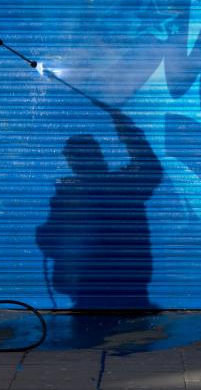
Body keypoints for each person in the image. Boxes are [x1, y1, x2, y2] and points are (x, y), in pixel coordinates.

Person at [37, 105, 163, 309]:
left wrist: (43, 235)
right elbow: (150, 167)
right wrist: (128, 130)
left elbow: (51, 241)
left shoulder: (72, 193)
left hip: (92, 290)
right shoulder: (124, 183)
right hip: (124, 286)